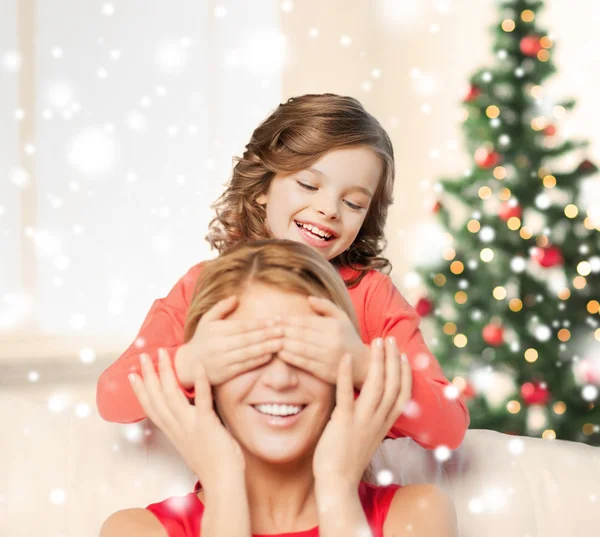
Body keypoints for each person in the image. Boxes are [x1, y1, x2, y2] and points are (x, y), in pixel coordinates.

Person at [96, 93, 469, 450]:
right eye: (308, 184)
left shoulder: (372, 296)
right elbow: (112, 397)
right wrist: (192, 361)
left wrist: (360, 364)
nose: (329, 209)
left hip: (342, 500)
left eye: (353, 202)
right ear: (262, 188)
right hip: (234, 499)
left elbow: (449, 426)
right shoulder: (206, 285)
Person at [99, 240, 458, 537]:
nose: (280, 379)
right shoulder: (134, 530)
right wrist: (225, 492)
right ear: (204, 378)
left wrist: (338, 487)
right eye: (250, 354)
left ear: (342, 377)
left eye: (304, 353)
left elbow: (447, 420)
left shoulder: (418, 515)